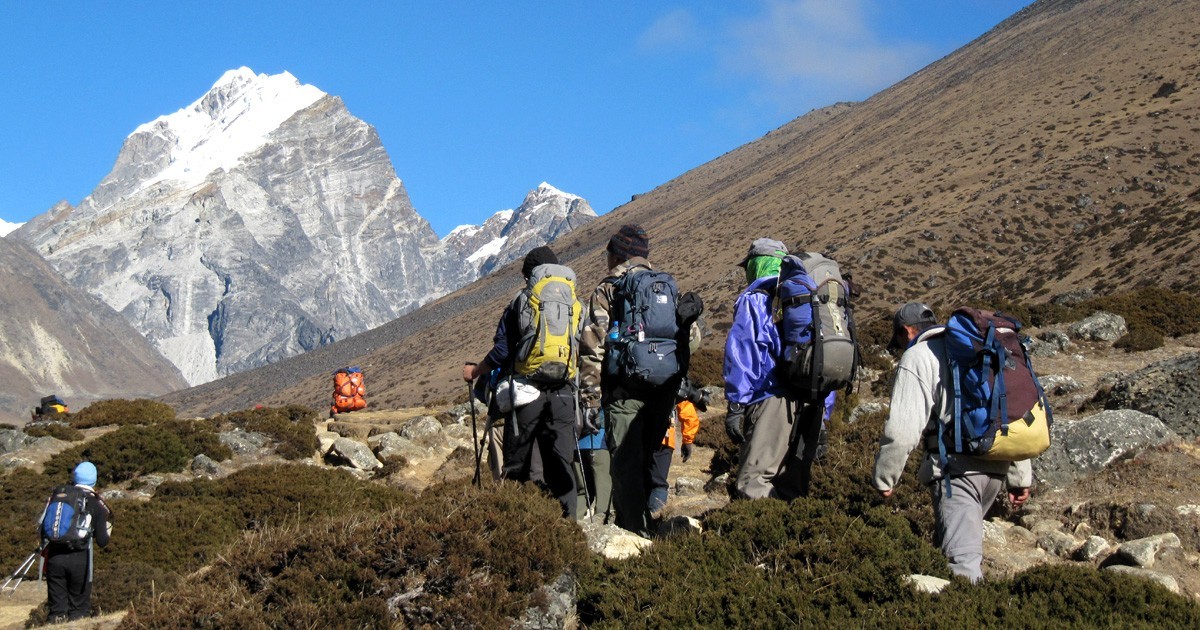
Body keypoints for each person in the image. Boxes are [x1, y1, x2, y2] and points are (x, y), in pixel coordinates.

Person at [872, 302, 1032, 583]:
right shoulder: (978, 350)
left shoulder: (919, 356)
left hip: (956, 474)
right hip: (996, 465)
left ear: (907, 331)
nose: (899, 348)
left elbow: (902, 430)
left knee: (962, 565)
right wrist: (1020, 476)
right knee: (950, 548)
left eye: (898, 339)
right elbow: (1011, 411)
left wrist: (885, 478)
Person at [579, 224, 681, 536]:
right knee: (649, 465)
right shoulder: (664, 286)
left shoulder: (609, 288)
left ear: (617, 255)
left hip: (623, 393)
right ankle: (648, 532)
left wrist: (590, 399)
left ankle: (634, 543)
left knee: (625, 470)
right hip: (662, 392)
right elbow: (690, 336)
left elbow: (591, 348)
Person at [463, 246, 578, 518]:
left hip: (526, 393)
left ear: (529, 276)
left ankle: (516, 528)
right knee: (562, 464)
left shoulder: (522, 301)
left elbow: (502, 352)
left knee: (518, 464)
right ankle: (569, 528)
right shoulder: (573, 303)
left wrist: (476, 371)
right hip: (563, 392)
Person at [723, 238, 825, 500]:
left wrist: (736, 403)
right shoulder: (810, 296)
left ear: (757, 265)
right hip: (813, 400)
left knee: (754, 483)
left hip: (771, 398)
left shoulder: (756, 298)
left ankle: (754, 540)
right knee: (794, 487)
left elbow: (744, 352)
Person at [41, 461, 111, 623]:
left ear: (75, 478)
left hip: (54, 559)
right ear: (94, 480)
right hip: (81, 560)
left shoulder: (57, 499)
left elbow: (42, 528)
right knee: (79, 610)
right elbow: (102, 541)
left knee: (57, 611)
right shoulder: (96, 504)